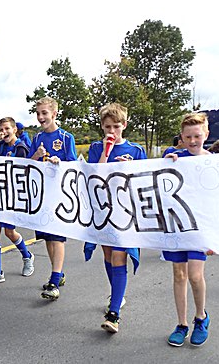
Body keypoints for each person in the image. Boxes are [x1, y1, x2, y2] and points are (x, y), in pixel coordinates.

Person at [85, 102, 147, 334]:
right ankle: (116, 294)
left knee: (121, 255)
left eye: (116, 127)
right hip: (103, 211)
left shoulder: (136, 150)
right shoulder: (95, 148)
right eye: (107, 127)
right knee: (109, 254)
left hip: (125, 212)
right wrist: (106, 152)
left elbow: (144, 181)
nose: (111, 132)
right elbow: (93, 175)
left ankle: (114, 314)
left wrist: (130, 169)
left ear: (125, 125)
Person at [163, 112, 211, 347]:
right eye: (188, 136)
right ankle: (181, 324)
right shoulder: (172, 158)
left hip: (200, 228)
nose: (193, 141)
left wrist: (216, 237)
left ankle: (200, 317)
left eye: (197, 136)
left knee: (195, 275)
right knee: (179, 275)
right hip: (176, 226)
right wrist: (165, 164)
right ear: (181, 137)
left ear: (206, 135)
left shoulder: (213, 161)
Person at [28, 97, 77, 300]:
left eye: (44, 113)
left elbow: (74, 165)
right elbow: (27, 164)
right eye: (38, 113)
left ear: (55, 114)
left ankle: (54, 281)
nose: (41, 117)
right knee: (47, 237)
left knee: (57, 237)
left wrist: (61, 162)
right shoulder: (37, 137)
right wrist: (37, 156)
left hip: (59, 195)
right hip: (42, 195)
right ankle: (58, 273)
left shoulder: (66, 138)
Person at [0, 117, 34, 285]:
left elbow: (22, 169)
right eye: (1, 129)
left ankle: (27, 256)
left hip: (12, 197)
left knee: (9, 232)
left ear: (15, 129)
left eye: (7, 128)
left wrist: (1, 161)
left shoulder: (21, 147)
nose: (4, 132)